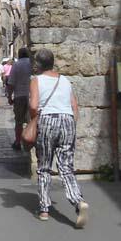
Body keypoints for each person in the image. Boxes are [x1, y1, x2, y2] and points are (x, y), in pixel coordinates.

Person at [29, 47, 89, 227]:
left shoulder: (36, 80)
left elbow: (33, 106)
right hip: (67, 120)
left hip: (47, 120)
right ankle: (78, 201)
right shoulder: (65, 80)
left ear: (38, 64)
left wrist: (35, 121)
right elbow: (74, 107)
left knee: (44, 166)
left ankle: (44, 209)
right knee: (66, 167)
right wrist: (70, 125)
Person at [6, 48, 31, 151]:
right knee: (31, 120)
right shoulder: (32, 63)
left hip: (19, 96)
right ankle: (30, 142)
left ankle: (18, 141)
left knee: (19, 121)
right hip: (31, 95)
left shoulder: (16, 65)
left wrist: (9, 96)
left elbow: (11, 83)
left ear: (19, 55)